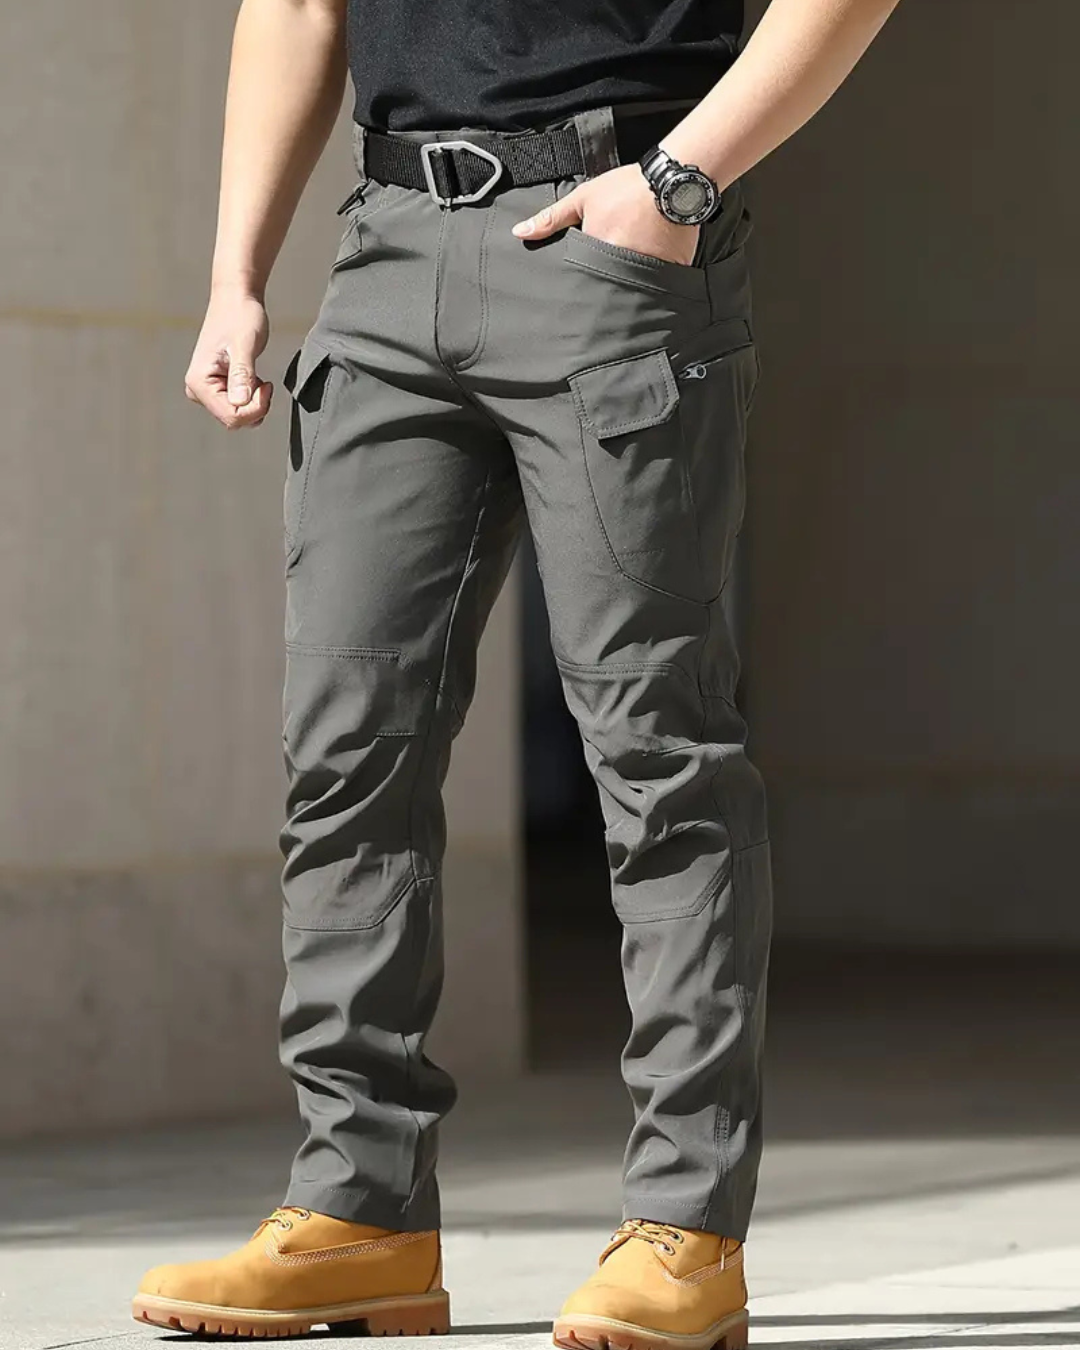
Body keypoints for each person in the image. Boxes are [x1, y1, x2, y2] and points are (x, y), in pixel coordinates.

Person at [132, 0, 899, 1344]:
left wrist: (682, 177)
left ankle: (685, 1227)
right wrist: (235, 273)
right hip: (387, 251)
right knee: (346, 754)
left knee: (658, 755)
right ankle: (359, 1210)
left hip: (616, 232)